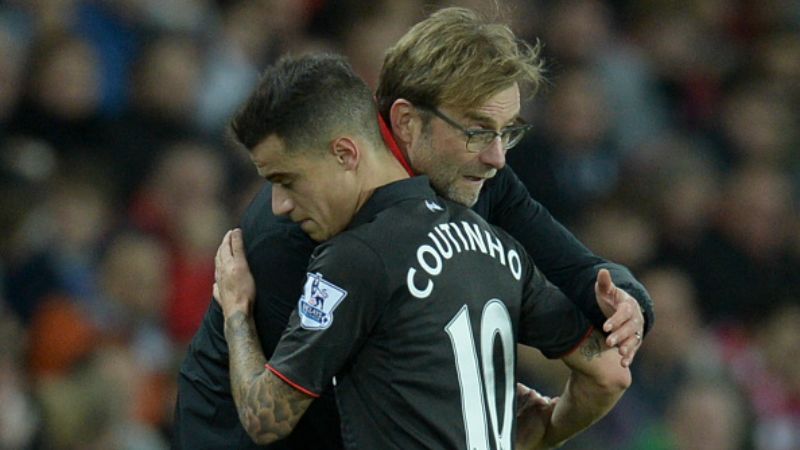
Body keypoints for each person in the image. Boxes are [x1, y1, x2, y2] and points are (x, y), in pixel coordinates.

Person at [174, 6, 651, 449]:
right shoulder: (303, 220)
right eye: (478, 130)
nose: (497, 156)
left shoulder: (478, 180)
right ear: (405, 121)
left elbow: (578, 270)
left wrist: (631, 303)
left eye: (508, 132)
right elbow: (288, 407)